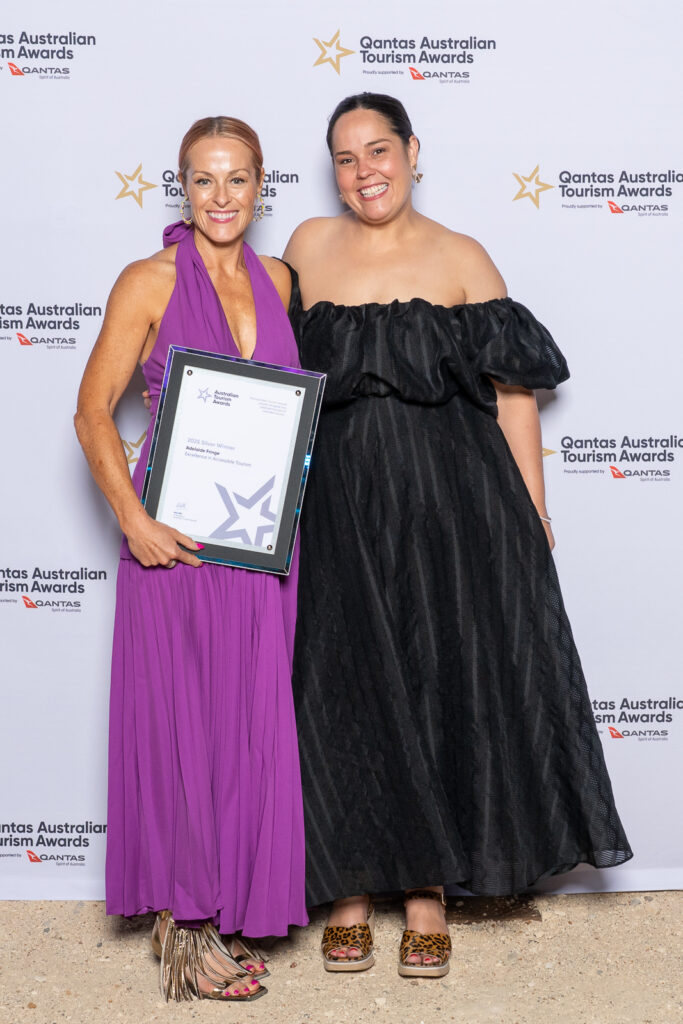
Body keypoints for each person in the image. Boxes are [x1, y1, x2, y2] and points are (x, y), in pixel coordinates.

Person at [283, 93, 632, 978]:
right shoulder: (306, 247)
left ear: (412, 151)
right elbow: (265, 370)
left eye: (379, 150)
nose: (364, 171)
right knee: (341, 682)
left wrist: (532, 513)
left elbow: (514, 396)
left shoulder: (462, 256)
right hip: (336, 505)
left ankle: (426, 891)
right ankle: (350, 885)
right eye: (346, 157)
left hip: (450, 505)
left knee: (436, 677)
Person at [74, 116, 307, 1002]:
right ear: (182, 187)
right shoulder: (149, 280)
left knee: (244, 722)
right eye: (203, 180)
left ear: (260, 185)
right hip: (171, 535)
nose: (220, 197)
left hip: (258, 536)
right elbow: (91, 412)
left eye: (236, 179)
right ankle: (183, 925)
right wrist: (131, 518)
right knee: (178, 721)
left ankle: (228, 902)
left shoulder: (279, 279)